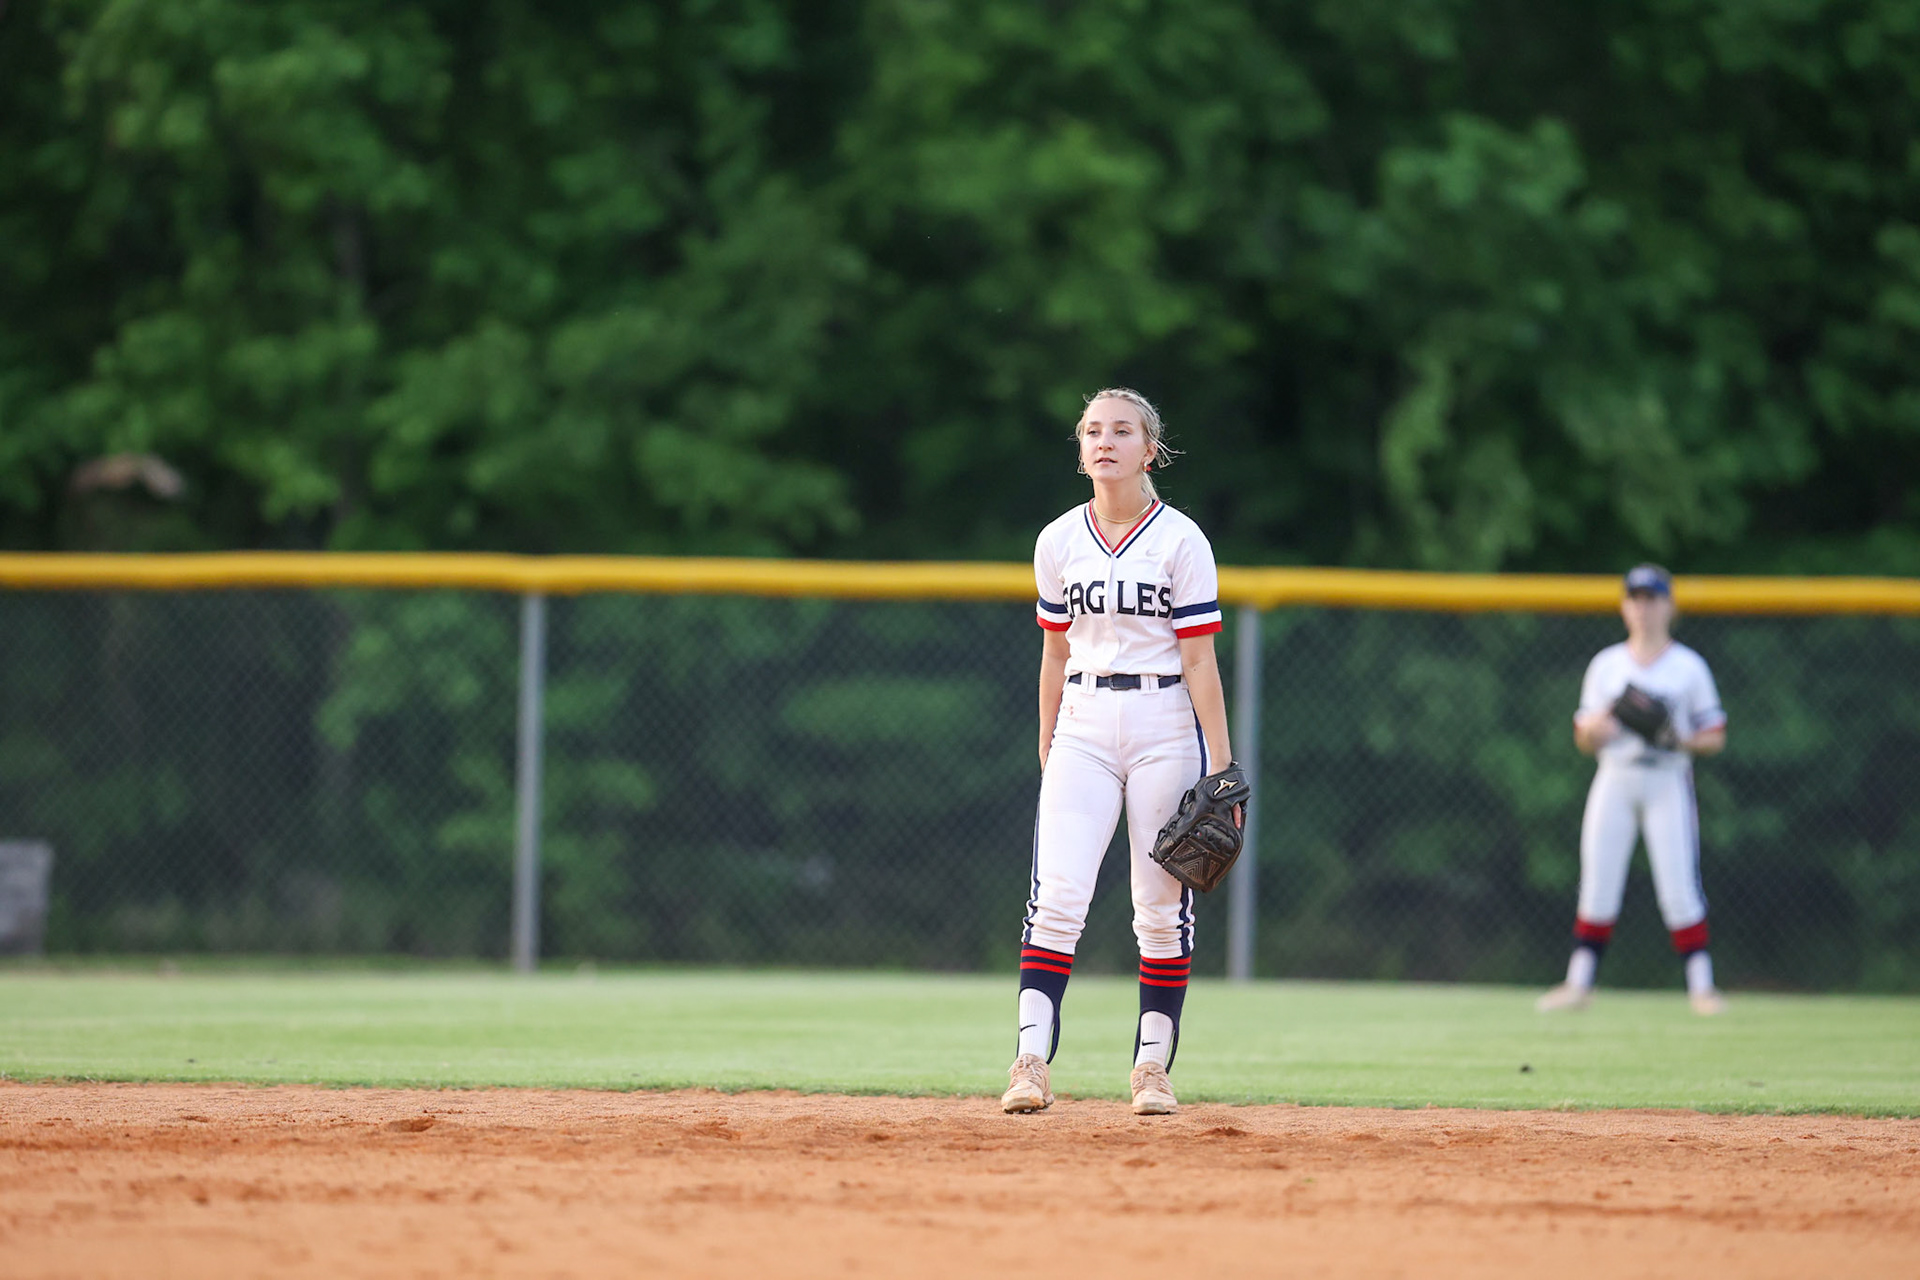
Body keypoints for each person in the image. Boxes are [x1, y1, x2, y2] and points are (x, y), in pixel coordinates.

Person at [1002, 387, 1242, 1116]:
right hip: (1083, 717)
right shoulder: (1057, 541)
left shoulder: (1180, 540)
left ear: (1150, 450)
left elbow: (1200, 661)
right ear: (1081, 451)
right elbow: (1053, 650)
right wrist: (1048, 737)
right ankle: (1030, 1061)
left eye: (1122, 430)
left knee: (1159, 907)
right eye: (1093, 431)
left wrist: (1223, 770)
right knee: (1058, 899)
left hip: (1165, 720)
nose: (1105, 441)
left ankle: (1151, 1068)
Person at [1539, 564, 1729, 1015]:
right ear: (1625, 606)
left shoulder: (1688, 667)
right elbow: (1584, 738)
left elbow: (1715, 734)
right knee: (1599, 884)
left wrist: (1677, 739)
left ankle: (1702, 989)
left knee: (1678, 887)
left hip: (1667, 777)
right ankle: (1578, 984)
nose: (1644, 608)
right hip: (1616, 776)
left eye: (1653, 598)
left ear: (1670, 605)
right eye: (1636, 598)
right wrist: (1603, 723)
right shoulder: (1607, 665)